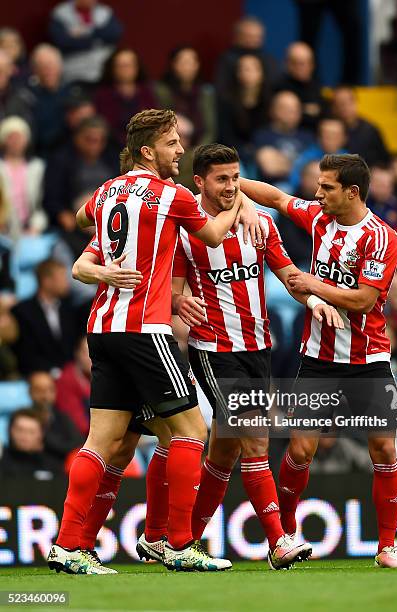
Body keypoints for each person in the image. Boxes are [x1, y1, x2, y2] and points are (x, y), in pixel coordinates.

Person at [46, 108, 259, 575]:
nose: (181, 150)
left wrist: (100, 263)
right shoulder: (172, 194)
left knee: (102, 442)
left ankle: (68, 546)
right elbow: (215, 233)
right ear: (148, 150)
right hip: (145, 329)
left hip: (102, 329)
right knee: (192, 432)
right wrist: (239, 196)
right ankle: (179, 544)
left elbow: (84, 221)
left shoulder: (105, 190)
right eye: (172, 143)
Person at [240, 153, 397, 568]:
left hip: (368, 357)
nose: (317, 194)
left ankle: (387, 547)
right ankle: (284, 535)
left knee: (384, 450)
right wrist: (235, 191)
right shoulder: (319, 218)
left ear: (352, 192)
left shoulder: (382, 238)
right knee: (300, 451)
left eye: (327, 187)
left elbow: (363, 300)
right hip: (318, 357)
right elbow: (280, 199)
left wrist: (312, 284)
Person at [42, 115, 117, 228]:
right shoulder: (60, 160)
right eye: (89, 139)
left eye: (99, 140)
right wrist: (61, 213)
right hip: (75, 220)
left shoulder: (113, 159)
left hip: (109, 218)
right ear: (77, 138)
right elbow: (52, 196)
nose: (94, 145)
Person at [11, 259, 78, 375]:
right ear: (47, 281)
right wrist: (54, 372)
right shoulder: (22, 312)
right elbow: (26, 353)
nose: (67, 282)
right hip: (37, 376)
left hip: (69, 376)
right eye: (62, 277)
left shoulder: (70, 309)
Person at [94, 48, 157, 149]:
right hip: (112, 148)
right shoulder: (103, 94)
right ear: (112, 68)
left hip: (144, 145)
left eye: (129, 65)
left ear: (137, 67)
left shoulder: (146, 91)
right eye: (120, 66)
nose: (125, 69)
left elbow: (154, 121)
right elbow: (107, 127)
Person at [48, 0, 123, 85]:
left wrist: (85, 33)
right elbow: (63, 42)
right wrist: (98, 40)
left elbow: (115, 33)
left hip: (104, 69)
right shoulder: (61, 14)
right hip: (75, 72)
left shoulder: (104, 11)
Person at [155, 46, 216, 147]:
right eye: (183, 62)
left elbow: (210, 129)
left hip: (200, 149)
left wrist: (200, 150)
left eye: (192, 62)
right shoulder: (161, 91)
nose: (188, 67)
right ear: (173, 64)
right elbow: (159, 125)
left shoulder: (206, 92)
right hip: (169, 147)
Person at [217, 54, 272, 166]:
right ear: (237, 74)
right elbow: (225, 136)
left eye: (252, 69)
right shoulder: (226, 101)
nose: (247, 73)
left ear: (261, 73)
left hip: (261, 153)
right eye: (242, 69)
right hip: (233, 153)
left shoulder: (269, 101)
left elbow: (268, 132)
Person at [253, 90, 314, 187]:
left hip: (305, 189)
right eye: (287, 109)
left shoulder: (307, 136)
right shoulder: (263, 136)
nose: (293, 113)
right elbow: (270, 167)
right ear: (274, 110)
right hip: (274, 188)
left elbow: (314, 168)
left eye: (296, 109)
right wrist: (301, 168)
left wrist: (283, 163)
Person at [0, 115, 47, 240]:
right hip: (3, 229)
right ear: (4, 140)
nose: (15, 141)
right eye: (11, 137)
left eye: (19, 137)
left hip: (30, 230)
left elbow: (42, 204)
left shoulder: (38, 167)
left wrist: (36, 226)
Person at [215, 16, 278, 96]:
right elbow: (221, 88)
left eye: (256, 37)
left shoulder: (269, 60)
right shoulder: (227, 59)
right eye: (248, 36)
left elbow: (273, 85)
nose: (252, 40)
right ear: (237, 36)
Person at [29, 370, 83, 460]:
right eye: (40, 391)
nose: (46, 396)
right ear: (30, 392)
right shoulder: (24, 419)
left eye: (51, 390)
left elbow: (78, 444)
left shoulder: (63, 417)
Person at [27, 44, 71, 155]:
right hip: (42, 154)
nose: (48, 71)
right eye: (42, 67)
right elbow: (38, 137)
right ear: (34, 70)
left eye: (51, 65)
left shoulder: (71, 91)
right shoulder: (28, 96)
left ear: (60, 67)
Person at [332, 86, 389, 167]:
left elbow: (383, 159)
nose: (345, 107)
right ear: (334, 107)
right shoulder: (329, 128)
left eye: (349, 101)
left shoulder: (370, 131)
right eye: (340, 103)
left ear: (356, 102)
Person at [275, 41, 325, 131]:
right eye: (296, 63)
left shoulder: (317, 85)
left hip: (314, 137)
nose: (302, 67)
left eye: (306, 63)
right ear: (288, 64)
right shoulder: (279, 86)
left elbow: (323, 114)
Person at [0, 408, 63, 478]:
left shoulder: (52, 465)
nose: (24, 436)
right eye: (20, 430)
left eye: (31, 432)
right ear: (9, 430)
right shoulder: (1, 460)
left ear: (41, 434)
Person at [289, 117, 347, 190]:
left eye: (335, 135)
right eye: (326, 135)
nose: (330, 139)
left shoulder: (350, 161)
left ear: (344, 138)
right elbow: (294, 180)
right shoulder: (306, 156)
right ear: (319, 137)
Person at [55, 336, 92, 437]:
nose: (92, 357)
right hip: (81, 440)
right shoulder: (66, 380)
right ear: (77, 353)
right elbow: (78, 424)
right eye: (87, 352)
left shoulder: (104, 377)